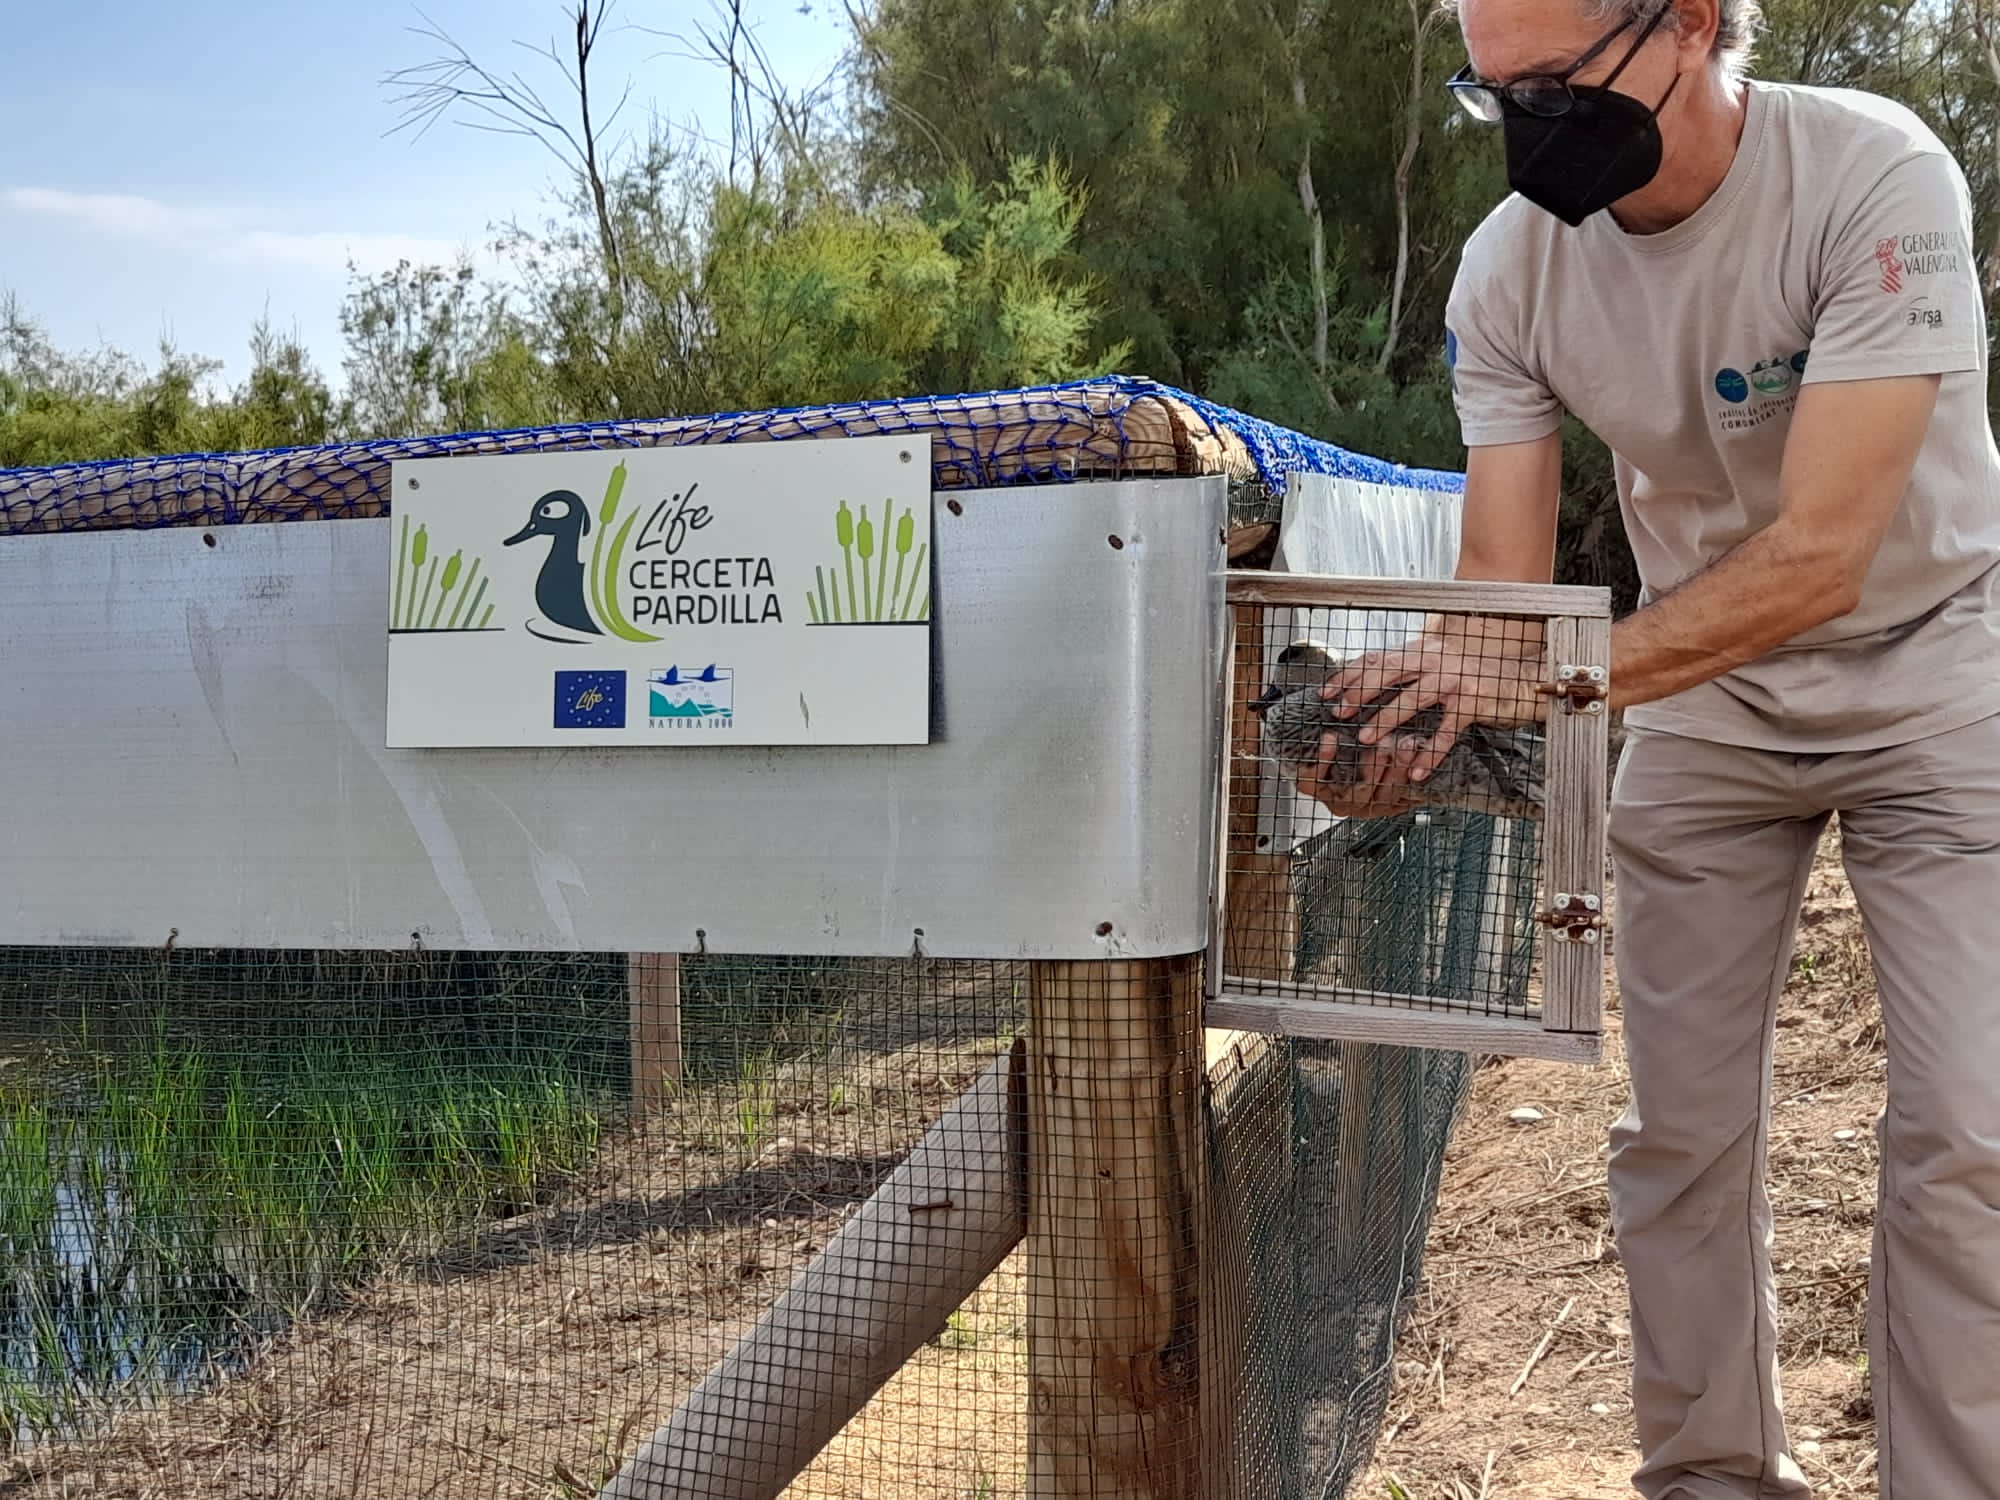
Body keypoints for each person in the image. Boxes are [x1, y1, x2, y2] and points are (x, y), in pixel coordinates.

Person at [1296, 2, 2000, 1496]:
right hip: (1704, 693)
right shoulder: (1511, 271)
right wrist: (1408, 721)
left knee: (1969, 1134)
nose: (1528, 126)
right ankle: (1711, 1475)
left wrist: (1561, 682)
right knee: (1678, 1136)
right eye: (1496, 93)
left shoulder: (1876, 179)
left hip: (1939, 666)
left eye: (1556, 84)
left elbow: (1824, 556)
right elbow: (1502, 605)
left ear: (1688, 21)